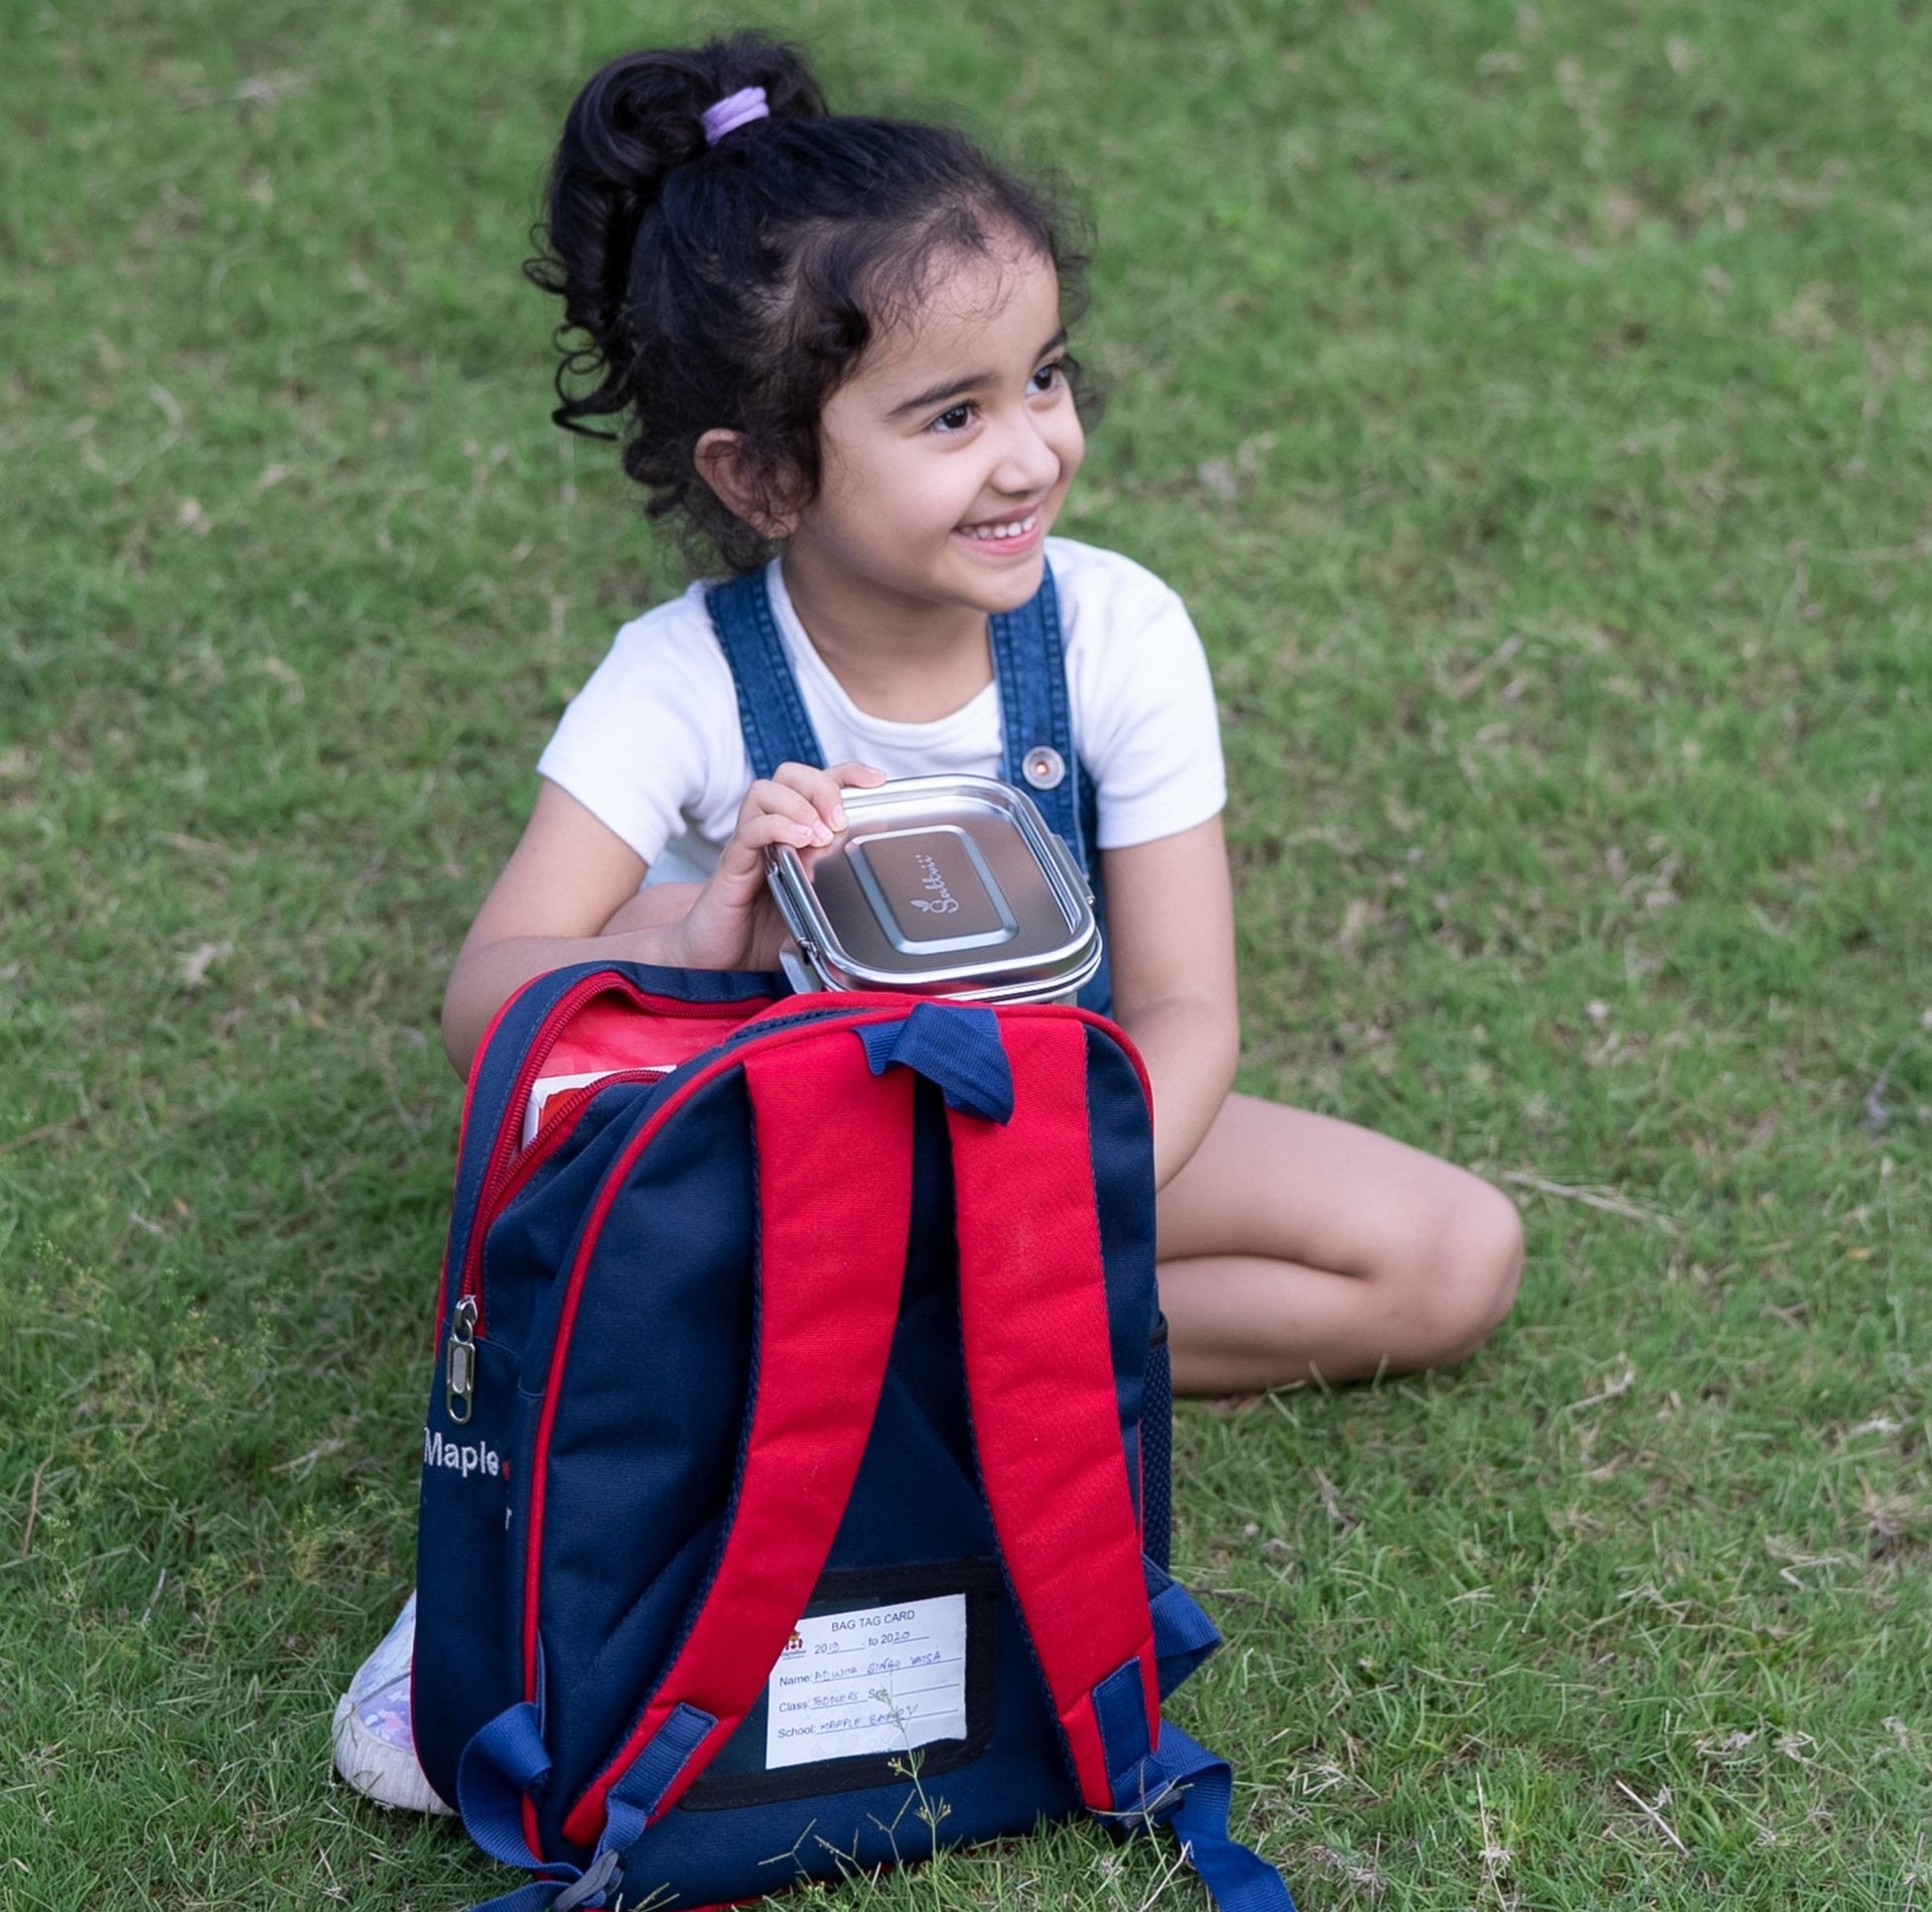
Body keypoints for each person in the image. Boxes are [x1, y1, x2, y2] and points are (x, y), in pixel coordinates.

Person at [334, 31, 1523, 1813]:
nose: (1029, 447)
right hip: (769, 1179)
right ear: (762, 478)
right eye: (946, 414)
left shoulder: (1114, 633)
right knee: (626, 1260)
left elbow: (1187, 1009)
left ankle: (933, 1366)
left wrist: (1064, 1204)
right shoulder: (684, 679)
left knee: (1448, 1254)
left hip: (1054, 1136)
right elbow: (485, 994)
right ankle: (519, 1574)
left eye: (1040, 376)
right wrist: (705, 925)